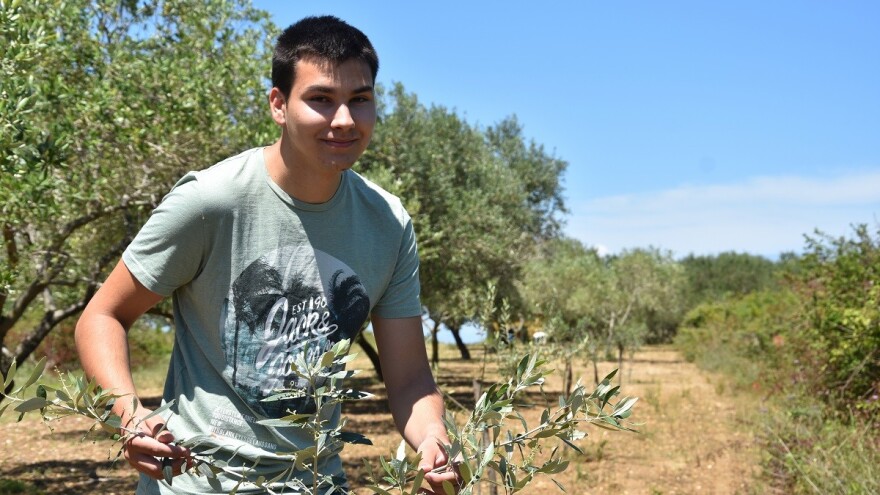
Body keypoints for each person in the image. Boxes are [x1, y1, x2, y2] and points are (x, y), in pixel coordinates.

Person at [75, 15, 457, 494]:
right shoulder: (211, 201)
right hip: (197, 483)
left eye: (359, 101)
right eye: (321, 99)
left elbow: (409, 382)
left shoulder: (388, 224)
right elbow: (102, 316)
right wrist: (129, 417)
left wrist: (433, 441)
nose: (343, 120)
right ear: (278, 104)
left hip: (318, 482)